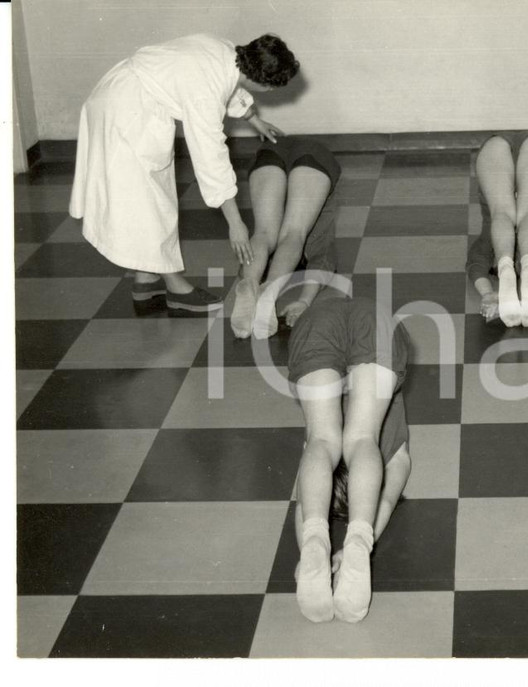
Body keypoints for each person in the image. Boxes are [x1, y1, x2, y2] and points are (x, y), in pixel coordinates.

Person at [69, 33, 298, 315]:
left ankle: (146, 281)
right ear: (261, 81)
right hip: (126, 115)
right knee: (151, 204)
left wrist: (254, 120)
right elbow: (211, 156)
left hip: (123, 95)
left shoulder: (229, 51)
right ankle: (177, 289)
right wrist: (235, 223)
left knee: (151, 200)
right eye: (272, 87)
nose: (272, 92)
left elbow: (227, 85)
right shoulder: (206, 91)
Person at [288, 293, 411, 623]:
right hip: (366, 320)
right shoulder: (385, 445)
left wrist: (306, 549)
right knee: (358, 438)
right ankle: (355, 539)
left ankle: (319, 539)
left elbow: (304, 500)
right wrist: (361, 545)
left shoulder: (391, 452)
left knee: (322, 439)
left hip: (317, 321)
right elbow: (382, 500)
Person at [231, 137, 341, 338]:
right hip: (313, 154)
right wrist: (305, 300)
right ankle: (269, 289)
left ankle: (250, 281)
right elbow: (322, 262)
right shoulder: (315, 241)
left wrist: (244, 273)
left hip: (272, 149)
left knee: (263, 233)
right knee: (294, 233)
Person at [467, 132, 528, 328]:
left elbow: (475, 263)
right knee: (525, 214)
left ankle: (515, 268)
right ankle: (522, 266)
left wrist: (488, 294)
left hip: (500, 147)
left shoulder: (494, 240)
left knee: (504, 214)